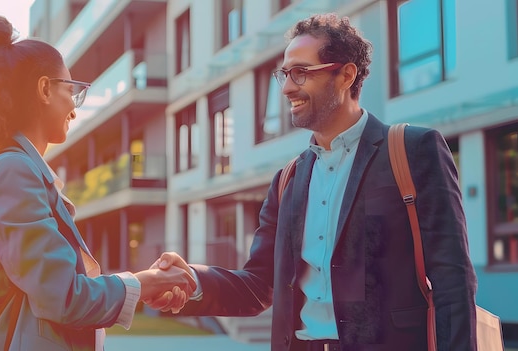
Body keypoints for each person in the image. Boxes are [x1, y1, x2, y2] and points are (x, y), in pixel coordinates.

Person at [147, 13, 477, 351]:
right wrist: (195, 279)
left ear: (346, 75)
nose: (288, 87)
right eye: (285, 74)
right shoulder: (287, 180)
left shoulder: (412, 151)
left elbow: (453, 280)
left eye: (301, 73)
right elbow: (259, 286)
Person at [0, 16, 194, 351]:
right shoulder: (12, 172)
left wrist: (145, 285)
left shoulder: (21, 170)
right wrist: (146, 283)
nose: (74, 110)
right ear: (45, 89)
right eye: (71, 91)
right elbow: (63, 296)